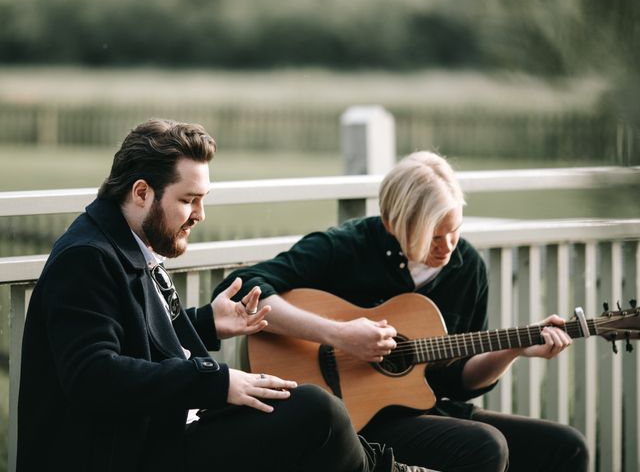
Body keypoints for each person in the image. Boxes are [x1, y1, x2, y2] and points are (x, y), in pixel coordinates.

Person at [17, 119, 433, 472]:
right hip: (126, 453)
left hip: (157, 435)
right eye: (189, 200)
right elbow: (93, 376)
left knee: (300, 406)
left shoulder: (126, 243)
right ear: (141, 192)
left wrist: (204, 323)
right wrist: (217, 383)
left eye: (203, 199)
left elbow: (135, 337)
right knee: (313, 410)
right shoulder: (87, 258)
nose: (200, 215)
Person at [213, 150, 590, 472]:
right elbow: (245, 291)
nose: (446, 248)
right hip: (352, 420)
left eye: (454, 231)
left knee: (566, 447)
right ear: (393, 222)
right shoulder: (344, 248)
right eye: (432, 236)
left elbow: (461, 380)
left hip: (426, 410)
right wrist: (340, 335)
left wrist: (514, 348)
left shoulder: (467, 266)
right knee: (486, 447)